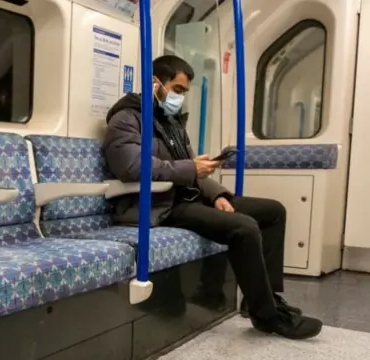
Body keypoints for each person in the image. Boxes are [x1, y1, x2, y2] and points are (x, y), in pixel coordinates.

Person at [102, 54, 323, 340]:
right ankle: (267, 317)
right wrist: (191, 168)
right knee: (243, 227)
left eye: (184, 92)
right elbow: (131, 167)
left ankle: (267, 297)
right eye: (178, 89)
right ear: (155, 83)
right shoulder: (126, 119)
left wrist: (217, 193)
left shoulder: (171, 123)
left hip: (187, 196)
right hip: (159, 205)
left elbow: (188, 169)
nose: (181, 97)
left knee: (273, 211)